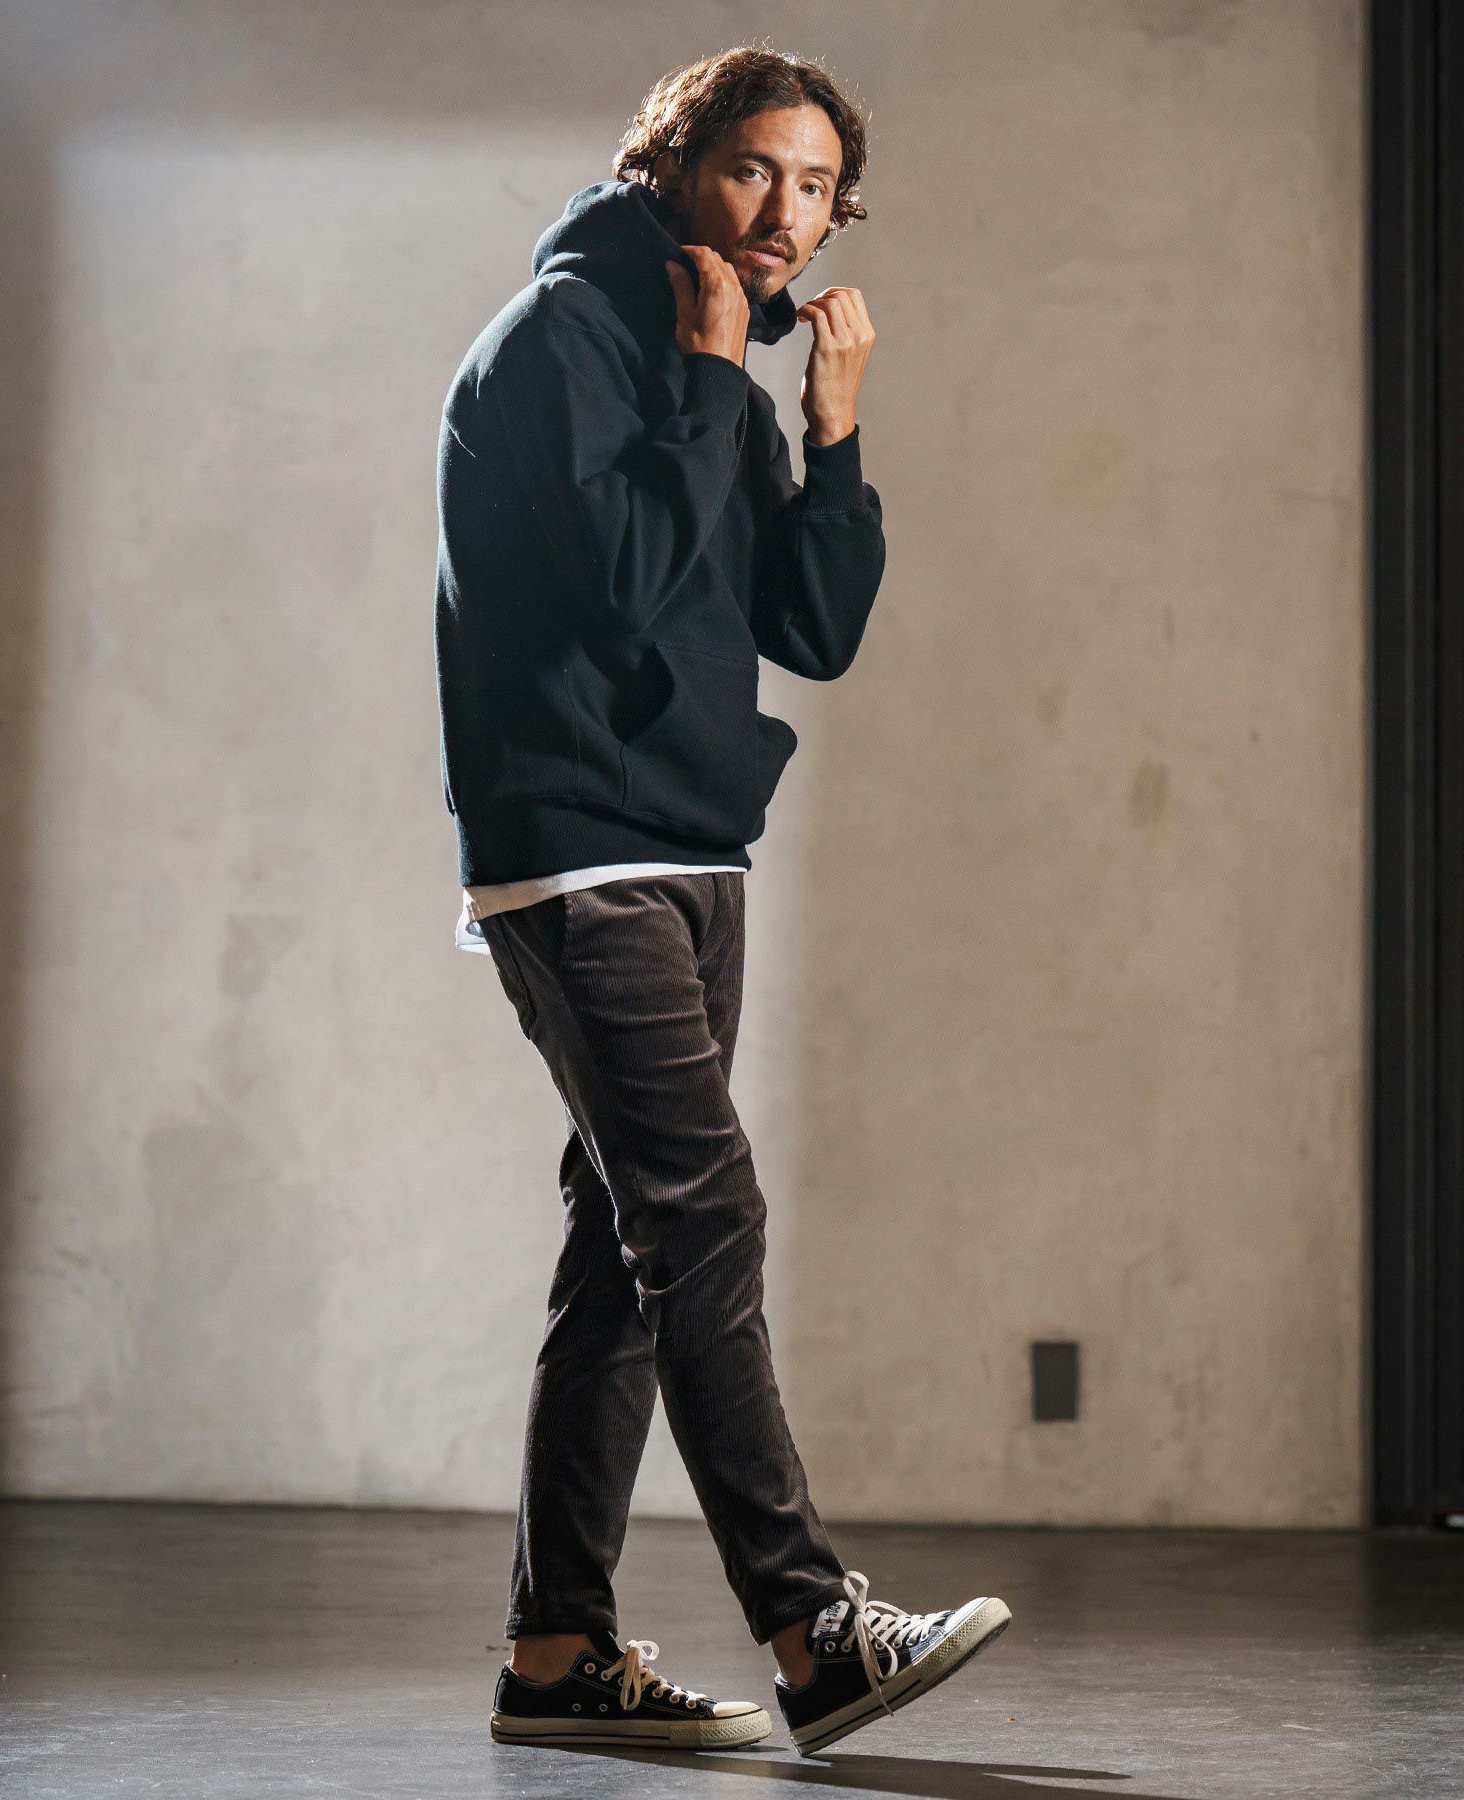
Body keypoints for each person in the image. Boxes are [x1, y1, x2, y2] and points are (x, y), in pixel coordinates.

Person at [432, 44, 1010, 1757]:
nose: (784, 214)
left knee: (628, 1264)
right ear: (672, 168)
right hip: (577, 853)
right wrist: (703, 380)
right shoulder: (559, 340)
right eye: (755, 169)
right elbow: (622, 586)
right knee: (704, 1223)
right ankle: (814, 1630)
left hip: (693, 851)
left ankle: (557, 1656)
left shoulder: (723, 390)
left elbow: (810, 630)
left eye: (817, 187)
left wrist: (830, 435)